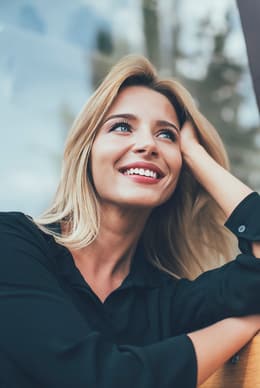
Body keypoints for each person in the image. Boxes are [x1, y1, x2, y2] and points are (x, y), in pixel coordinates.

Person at [0, 54, 260, 388]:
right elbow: (99, 379)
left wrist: (198, 156)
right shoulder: (13, 245)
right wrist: (242, 324)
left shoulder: (166, 300)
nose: (147, 144)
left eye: (167, 136)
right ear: (87, 151)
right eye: (122, 127)